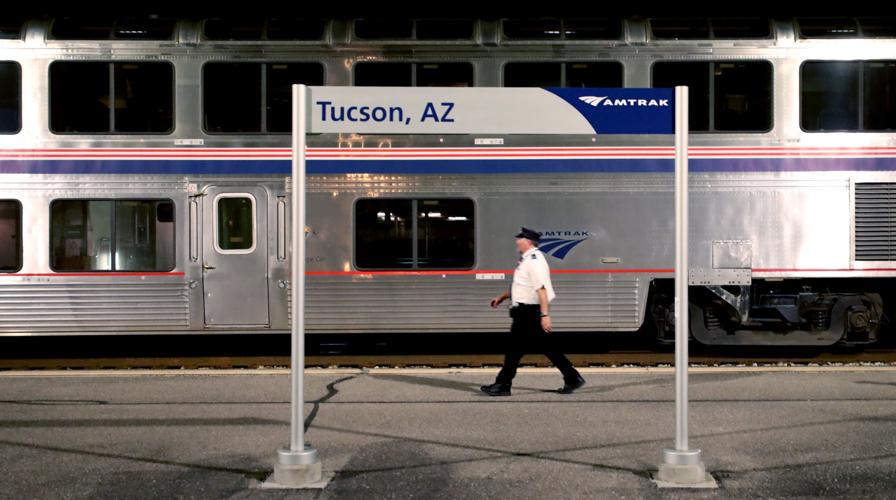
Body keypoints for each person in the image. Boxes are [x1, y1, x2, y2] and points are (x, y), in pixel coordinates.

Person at [480, 227, 586, 396]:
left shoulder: (535, 261)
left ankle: (503, 385)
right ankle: (572, 377)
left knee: (516, 351)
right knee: (532, 349)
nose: (516, 241)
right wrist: (502, 297)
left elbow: (541, 290)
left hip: (529, 314)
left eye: (519, 238)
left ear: (527, 241)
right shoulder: (527, 260)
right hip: (524, 313)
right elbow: (522, 286)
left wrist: (545, 315)